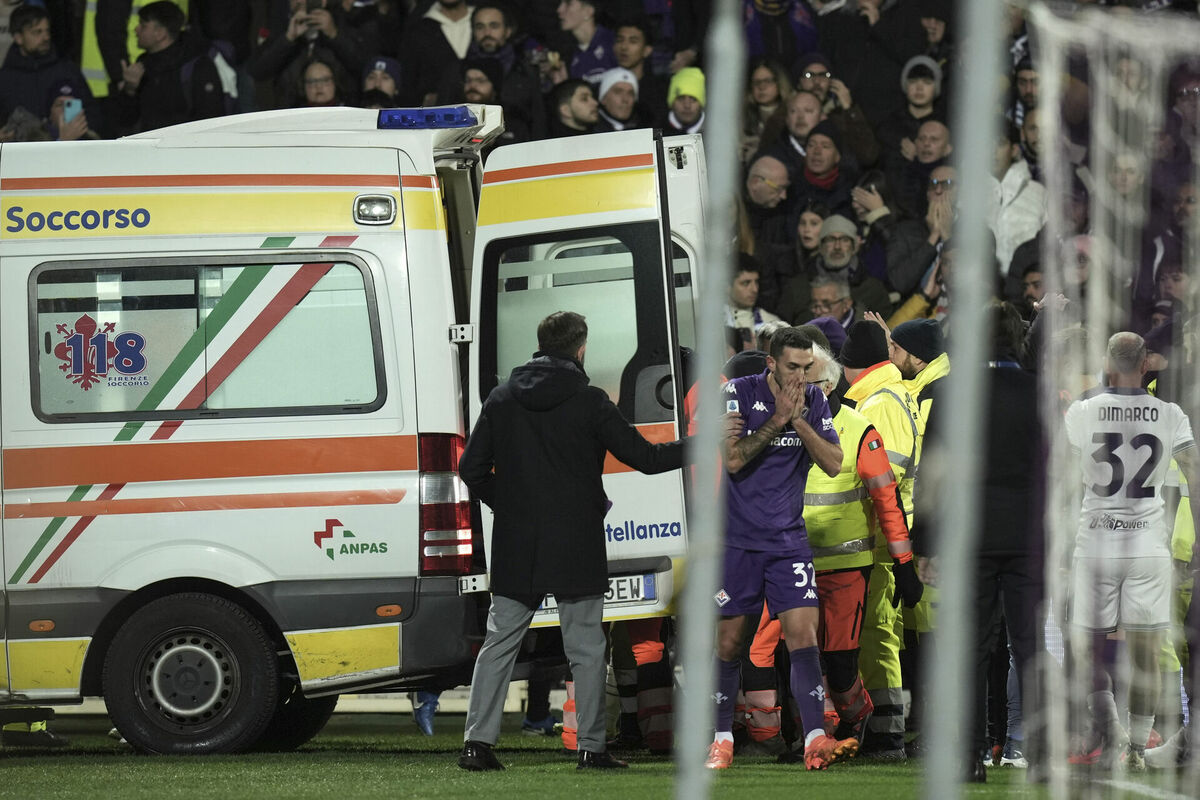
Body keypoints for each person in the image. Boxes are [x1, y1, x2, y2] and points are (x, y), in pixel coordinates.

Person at [457, 311, 685, 771]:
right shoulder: (590, 401)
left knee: (499, 643)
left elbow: (470, 469)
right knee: (585, 648)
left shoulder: (502, 398)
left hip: (518, 542)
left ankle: (476, 746)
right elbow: (645, 458)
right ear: (581, 348)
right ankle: (591, 748)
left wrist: (512, 506)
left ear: (540, 345)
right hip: (576, 539)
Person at [706, 326, 854, 771]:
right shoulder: (737, 392)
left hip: (789, 541)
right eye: (792, 366)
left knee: (804, 636)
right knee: (730, 644)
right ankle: (721, 739)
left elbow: (832, 462)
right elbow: (733, 460)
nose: (801, 375)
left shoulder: (814, 400)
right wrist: (776, 420)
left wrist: (798, 420)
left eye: (807, 367)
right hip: (737, 542)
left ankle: (813, 738)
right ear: (771, 363)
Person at [1066, 332, 1200, 771]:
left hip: (1095, 541)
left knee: (1085, 647)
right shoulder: (1170, 414)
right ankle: (1138, 750)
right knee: (1146, 653)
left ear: (1107, 362)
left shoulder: (1082, 412)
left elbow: (1063, 481)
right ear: (1145, 365)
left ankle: (1111, 729)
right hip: (1147, 545)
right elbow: (1194, 477)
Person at [802, 343, 921, 757]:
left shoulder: (858, 430)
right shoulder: (787, 427)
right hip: (793, 563)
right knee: (799, 656)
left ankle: (858, 718)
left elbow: (887, 502)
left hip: (846, 566)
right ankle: (815, 736)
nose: (798, 386)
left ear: (830, 383)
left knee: (839, 664)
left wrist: (904, 563)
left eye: (808, 379)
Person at [840, 320, 921, 760]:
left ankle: (885, 735)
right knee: (877, 634)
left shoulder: (878, 403)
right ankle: (883, 729)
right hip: (888, 538)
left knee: (876, 635)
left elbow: (881, 483)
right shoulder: (893, 393)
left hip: (879, 540)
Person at [115, 1, 227, 134]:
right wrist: (130, 90)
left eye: (143, 26)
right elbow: (125, 120)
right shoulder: (143, 64)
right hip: (149, 147)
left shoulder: (196, 65)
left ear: (160, 33)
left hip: (185, 147)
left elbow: (211, 120)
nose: (136, 29)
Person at [0, 3, 96, 126]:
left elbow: (92, 115)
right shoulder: (5, 80)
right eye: (37, 32)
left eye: (47, 31)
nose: (45, 37)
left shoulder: (67, 71)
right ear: (18, 37)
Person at [727, 255, 783, 351]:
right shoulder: (711, 322)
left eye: (756, 282)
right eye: (746, 283)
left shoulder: (771, 323)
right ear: (727, 286)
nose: (755, 289)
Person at [594, 66, 642, 131]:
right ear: (603, 99)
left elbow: (659, 140)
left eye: (630, 93)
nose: (625, 99)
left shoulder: (651, 124)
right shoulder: (588, 131)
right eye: (618, 92)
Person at [664, 66, 704, 134]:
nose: (687, 105)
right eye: (681, 98)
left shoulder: (717, 133)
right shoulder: (652, 134)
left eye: (693, 99)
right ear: (672, 102)